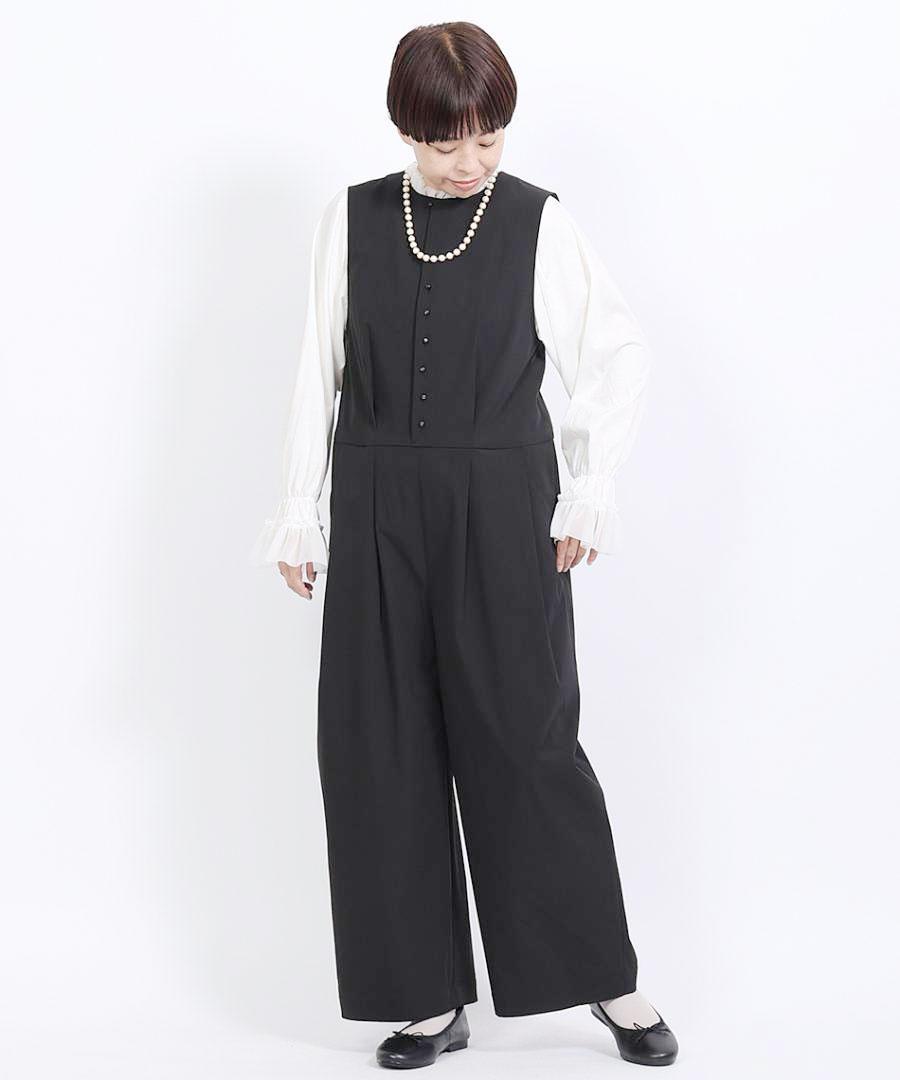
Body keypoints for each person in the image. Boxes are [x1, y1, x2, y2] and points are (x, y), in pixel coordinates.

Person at [250, 20, 678, 1070]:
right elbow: (317, 370)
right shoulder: (353, 218)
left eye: (489, 138)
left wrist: (588, 491)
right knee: (377, 745)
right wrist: (300, 508)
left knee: (527, 740)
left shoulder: (537, 219)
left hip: (503, 504)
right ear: (408, 128)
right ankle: (426, 998)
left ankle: (605, 979)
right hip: (377, 500)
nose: (471, 161)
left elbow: (615, 353)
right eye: (448, 143)